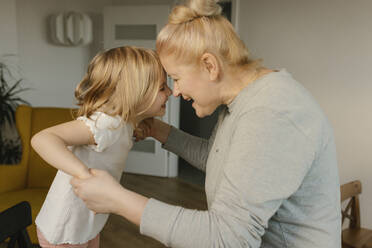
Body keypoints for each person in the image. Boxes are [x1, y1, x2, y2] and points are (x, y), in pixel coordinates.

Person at [71, 0, 341, 247]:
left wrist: (118, 200)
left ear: (210, 66)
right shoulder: (245, 100)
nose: (175, 91)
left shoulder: (272, 113)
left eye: (176, 78)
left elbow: (227, 238)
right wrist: (158, 130)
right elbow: (224, 161)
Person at [31, 46, 172, 248]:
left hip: (87, 224)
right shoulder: (106, 123)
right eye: (162, 88)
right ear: (134, 92)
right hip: (65, 229)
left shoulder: (125, 122)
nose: (171, 92)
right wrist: (85, 176)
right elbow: (43, 138)